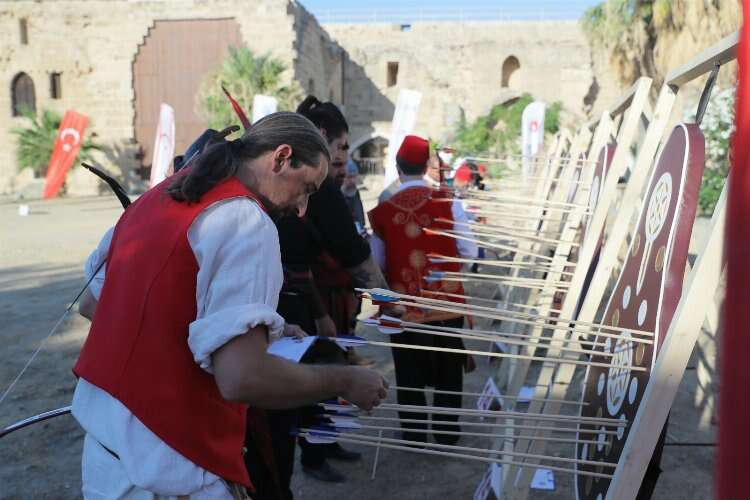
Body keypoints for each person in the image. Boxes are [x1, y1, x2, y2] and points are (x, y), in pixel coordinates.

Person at [73, 112, 388, 499]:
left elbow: (96, 305)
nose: (302, 208)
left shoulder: (159, 195)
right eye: (306, 188)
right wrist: (343, 381)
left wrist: (252, 335)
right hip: (170, 464)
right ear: (281, 157)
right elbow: (242, 377)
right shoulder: (246, 222)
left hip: (107, 458)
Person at [368, 134, 478, 446]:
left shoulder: (383, 211)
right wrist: (448, 276)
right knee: (449, 370)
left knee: (408, 371)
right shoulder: (449, 202)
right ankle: (446, 432)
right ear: (426, 166)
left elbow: (377, 264)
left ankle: (414, 433)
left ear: (398, 167)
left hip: (404, 307)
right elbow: (469, 251)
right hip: (447, 304)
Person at [341, 159, 366, 235]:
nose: (352, 181)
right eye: (349, 177)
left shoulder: (355, 193)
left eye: (354, 176)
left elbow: (361, 222)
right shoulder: (335, 198)